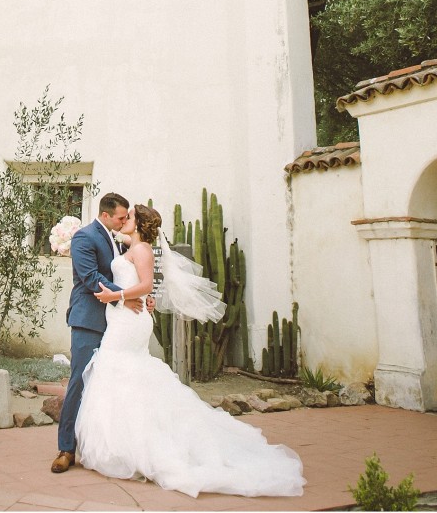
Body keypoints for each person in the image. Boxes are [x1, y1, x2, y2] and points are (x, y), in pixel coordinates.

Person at [74, 204, 306, 499]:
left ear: (140, 224)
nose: (125, 219)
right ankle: (123, 444)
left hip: (128, 324)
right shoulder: (131, 246)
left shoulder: (143, 249)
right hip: (124, 318)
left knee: (118, 369)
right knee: (123, 375)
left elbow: (146, 283)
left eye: (129, 217)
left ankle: (134, 448)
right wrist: (138, 298)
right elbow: (144, 287)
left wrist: (115, 295)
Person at [51, 192, 152, 474]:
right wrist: (123, 296)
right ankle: (66, 449)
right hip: (89, 320)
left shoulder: (117, 239)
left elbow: (130, 273)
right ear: (106, 215)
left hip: (115, 323)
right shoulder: (85, 237)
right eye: (121, 217)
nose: (124, 220)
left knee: (107, 385)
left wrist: (143, 295)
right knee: (80, 381)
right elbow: (90, 277)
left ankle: (103, 445)